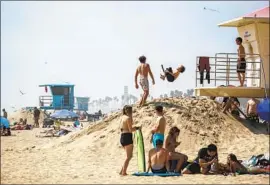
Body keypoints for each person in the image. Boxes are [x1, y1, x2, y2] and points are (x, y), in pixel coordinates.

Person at [119, 105, 140, 176]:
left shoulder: (122, 117)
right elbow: (131, 130)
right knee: (129, 156)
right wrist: (137, 128)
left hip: (122, 136)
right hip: (127, 136)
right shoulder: (128, 118)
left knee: (128, 156)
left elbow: (123, 128)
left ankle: (122, 170)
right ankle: (123, 172)